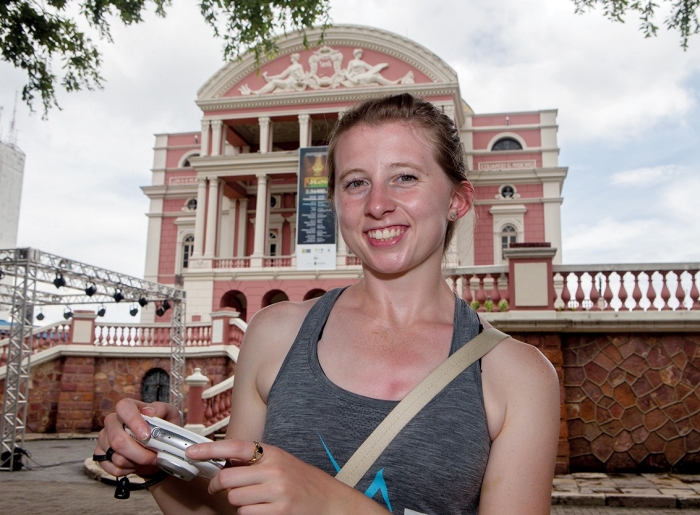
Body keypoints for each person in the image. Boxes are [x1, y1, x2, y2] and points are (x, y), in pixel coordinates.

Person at [95, 93, 560, 515]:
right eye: (356, 183)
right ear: (335, 200)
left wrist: (329, 502)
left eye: (405, 177)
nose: (378, 204)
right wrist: (161, 464)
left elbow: (311, 499)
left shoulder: (517, 374)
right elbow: (232, 510)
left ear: (457, 200)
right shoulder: (275, 334)